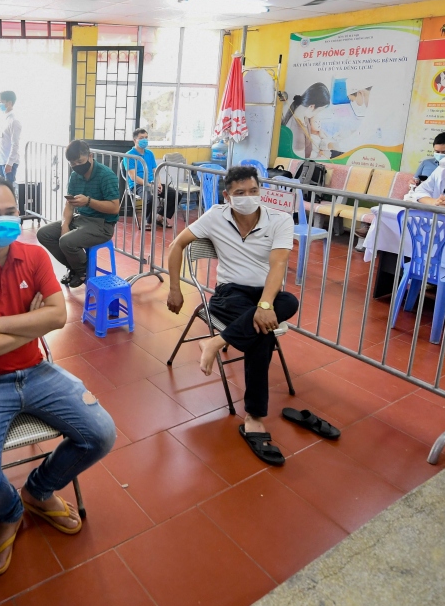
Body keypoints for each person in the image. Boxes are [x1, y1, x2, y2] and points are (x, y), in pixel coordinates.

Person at [0, 177, 116, 577]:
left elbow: (58, 316)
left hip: (37, 371)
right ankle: (11, 512)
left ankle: (38, 490)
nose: (5, 220)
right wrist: (30, 324)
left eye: (10, 211)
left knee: (102, 433)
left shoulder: (34, 256)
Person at [164, 166, 298, 467]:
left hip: (266, 292)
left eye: (253, 191)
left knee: (288, 301)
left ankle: (216, 342)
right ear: (228, 196)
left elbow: (278, 266)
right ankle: (254, 416)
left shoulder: (279, 220)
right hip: (230, 294)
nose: (248, 198)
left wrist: (265, 304)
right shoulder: (216, 215)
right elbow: (177, 246)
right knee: (262, 334)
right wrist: (175, 289)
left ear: (260, 191)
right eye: (240, 193)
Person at [36, 139, 121, 288]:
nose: (76, 166)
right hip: (81, 219)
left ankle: (83, 272)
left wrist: (88, 201)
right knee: (44, 233)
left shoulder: (106, 175)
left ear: (90, 156)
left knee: (66, 241)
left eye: (79, 161)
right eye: (72, 164)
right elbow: (69, 204)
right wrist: (65, 224)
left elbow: (114, 208)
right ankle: (75, 267)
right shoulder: (75, 176)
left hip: (102, 224)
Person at [123, 128, 177, 227]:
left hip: (153, 183)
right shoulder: (129, 155)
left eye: (146, 138)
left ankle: (159, 217)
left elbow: (155, 170)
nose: (145, 140)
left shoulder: (150, 153)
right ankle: (147, 221)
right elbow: (133, 177)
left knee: (174, 194)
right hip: (138, 184)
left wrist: (159, 183)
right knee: (150, 197)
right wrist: (149, 185)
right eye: (141, 138)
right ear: (135, 140)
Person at [279, 82, 331, 159]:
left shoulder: (303, 116)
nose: (317, 114)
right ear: (311, 107)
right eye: (319, 111)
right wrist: (321, 157)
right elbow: (298, 162)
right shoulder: (296, 130)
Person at [0, 90, 21, 183]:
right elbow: (2, 141)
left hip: (9, 163)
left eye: (2, 102)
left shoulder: (14, 121)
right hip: (1, 161)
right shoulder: (4, 119)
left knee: (8, 190)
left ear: (9, 103)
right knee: (1, 190)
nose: (0, 104)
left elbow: (15, 144)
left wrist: (10, 163)